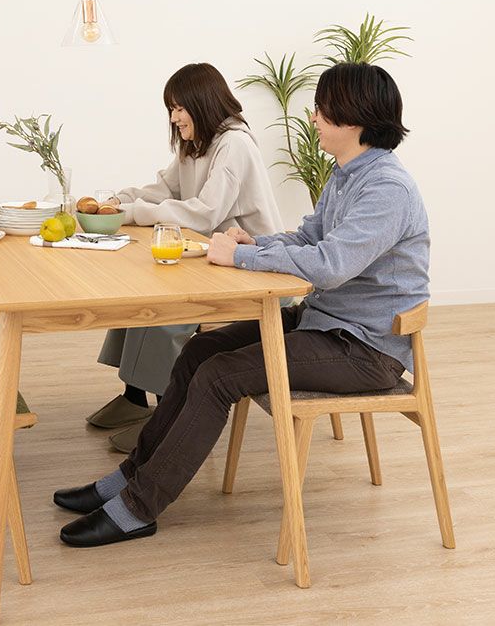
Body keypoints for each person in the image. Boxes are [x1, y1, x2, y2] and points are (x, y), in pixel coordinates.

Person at [55, 61, 427, 547]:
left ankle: (138, 507)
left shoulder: (386, 188)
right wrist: (256, 243)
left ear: (352, 117)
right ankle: (130, 476)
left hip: (364, 349)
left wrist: (244, 257)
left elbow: (331, 264)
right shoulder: (346, 175)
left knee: (219, 377)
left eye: (321, 108)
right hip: (324, 325)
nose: (313, 117)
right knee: (198, 352)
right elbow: (307, 238)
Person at [86, 63, 283, 453]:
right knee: (140, 290)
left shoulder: (234, 144)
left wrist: (133, 213)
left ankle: (168, 418)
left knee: (167, 310)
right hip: (215, 256)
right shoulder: (198, 143)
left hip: (252, 263)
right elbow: (164, 189)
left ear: (201, 103)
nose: (174, 118)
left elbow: (205, 213)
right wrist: (119, 200)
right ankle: (134, 397)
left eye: (179, 108)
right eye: (171, 109)